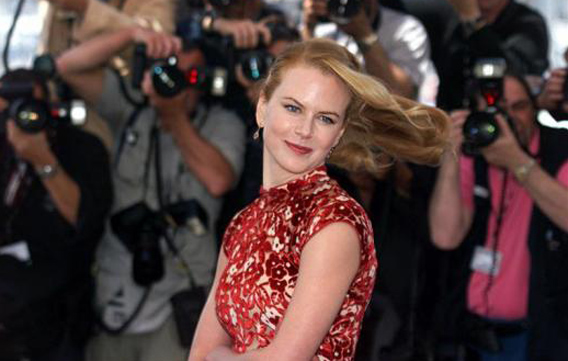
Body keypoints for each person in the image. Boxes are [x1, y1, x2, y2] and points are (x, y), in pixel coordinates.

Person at [187, 38, 450, 361]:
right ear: (262, 108)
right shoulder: (244, 221)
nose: (304, 130)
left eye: (325, 118)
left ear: (338, 134)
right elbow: (199, 352)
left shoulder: (334, 221)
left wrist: (219, 358)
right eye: (293, 108)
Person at [56, 25, 246, 361]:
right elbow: (68, 67)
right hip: (116, 294)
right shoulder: (130, 112)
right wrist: (130, 35)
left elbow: (219, 180)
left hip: (179, 301)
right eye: (169, 70)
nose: (176, 81)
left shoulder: (223, 123)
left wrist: (174, 117)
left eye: (189, 75)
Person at [429, 73, 568, 360]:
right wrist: (451, 155)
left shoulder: (560, 149)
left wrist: (517, 161)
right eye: (498, 110)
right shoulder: (473, 155)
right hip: (473, 333)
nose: (509, 120)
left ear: (535, 109)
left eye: (519, 107)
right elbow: (445, 236)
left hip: (541, 335)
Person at [0, 69, 112, 360]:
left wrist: (42, 159)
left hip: (59, 315)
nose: (25, 116)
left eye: (31, 107)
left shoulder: (83, 148)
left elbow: (83, 220)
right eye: (13, 108)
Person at [302, 0, 439, 104]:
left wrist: (364, 35)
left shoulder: (407, 29)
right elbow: (306, 82)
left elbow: (401, 96)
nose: (344, 5)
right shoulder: (324, 30)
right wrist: (308, 28)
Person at [436, 0, 549, 111]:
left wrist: (475, 22)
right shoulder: (452, 20)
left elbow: (515, 72)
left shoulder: (528, 22)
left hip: (508, 116)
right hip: (456, 116)